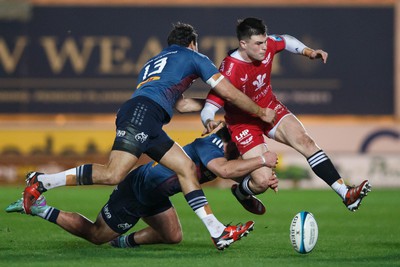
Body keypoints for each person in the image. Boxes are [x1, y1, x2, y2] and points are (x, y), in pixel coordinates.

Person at [21, 22, 277, 249]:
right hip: (143, 114)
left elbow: (181, 105)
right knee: (113, 174)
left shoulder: (156, 61)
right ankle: (43, 180)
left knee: (185, 167)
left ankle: (217, 231)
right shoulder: (193, 56)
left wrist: (217, 106)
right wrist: (257, 110)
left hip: (147, 116)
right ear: (192, 43)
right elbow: (228, 92)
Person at [7, 125, 279, 250]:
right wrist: (262, 160)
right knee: (95, 235)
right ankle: (40, 209)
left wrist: (256, 184)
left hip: (156, 193)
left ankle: (122, 241)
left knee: (173, 236)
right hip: (138, 189)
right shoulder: (213, 147)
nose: (248, 148)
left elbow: (234, 173)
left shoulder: (227, 151)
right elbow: (223, 170)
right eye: (247, 142)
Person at [200, 17, 371, 212]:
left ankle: (346, 193)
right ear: (243, 44)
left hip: (270, 109)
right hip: (244, 124)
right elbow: (209, 106)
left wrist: (308, 52)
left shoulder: (266, 46)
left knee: (305, 141)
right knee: (263, 182)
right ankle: (241, 192)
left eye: (264, 41)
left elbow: (286, 40)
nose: (264, 48)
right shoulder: (230, 70)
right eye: (258, 44)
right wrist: (208, 121)